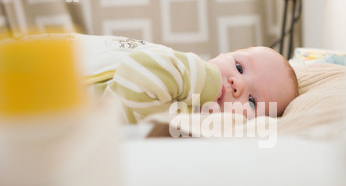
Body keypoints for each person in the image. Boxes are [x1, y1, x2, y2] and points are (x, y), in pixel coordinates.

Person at [74, 33, 299, 123]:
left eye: (252, 101)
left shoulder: (183, 119)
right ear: (222, 55)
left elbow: (136, 75)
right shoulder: (179, 73)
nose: (237, 84)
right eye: (239, 67)